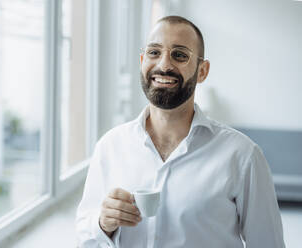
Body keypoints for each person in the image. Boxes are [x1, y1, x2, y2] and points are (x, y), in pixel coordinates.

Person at [75, 15, 285, 248]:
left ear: (202, 71)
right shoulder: (110, 146)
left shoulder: (242, 155)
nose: (164, 65)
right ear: (142, 60)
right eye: (154, 53)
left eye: (180, 55)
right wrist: (102, 223)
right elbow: (85, 238)